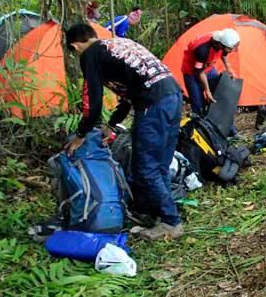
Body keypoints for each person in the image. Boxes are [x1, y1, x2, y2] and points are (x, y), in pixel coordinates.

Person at [64, 23, 184, 240]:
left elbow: (93, 101)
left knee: (145, 169)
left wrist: (81, 134)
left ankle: (171, 222)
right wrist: (111, 124)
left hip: (152, 103)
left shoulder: (90, 55)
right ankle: (162, 214)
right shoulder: (118, 44)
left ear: (75, 46)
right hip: (173, 94)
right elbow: (129, 91)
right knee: (160, 165)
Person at [181, 28, 240, 116]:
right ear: (221, 45)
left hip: (209, 68)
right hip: (192, 73)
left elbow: (223, 53)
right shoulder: (202, 50)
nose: (233, 50)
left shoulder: (222, 41)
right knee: (198, 105)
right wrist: (207, 91)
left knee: (220, 90)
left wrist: (229, 68)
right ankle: (200, 121)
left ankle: (217, 118)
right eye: (231, 48)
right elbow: (200, 72)